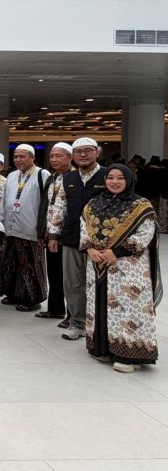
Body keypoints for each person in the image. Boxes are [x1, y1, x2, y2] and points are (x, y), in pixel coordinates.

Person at [81, 164, 162, 373]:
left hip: (127, 267)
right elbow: (84, 228)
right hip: (98, 263)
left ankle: (128, 355)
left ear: (129, 179)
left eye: (120, 178)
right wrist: (90, 249)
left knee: (127, 307)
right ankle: (102, 348)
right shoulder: (94, 203)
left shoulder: (141, 205)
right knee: (99, 304)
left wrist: (116, 252)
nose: (114, 182)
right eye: (110, 178)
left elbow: (146, 233)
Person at [56, 137, 107, 340]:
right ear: (73, 156)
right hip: (71, 238)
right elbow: (60, 208)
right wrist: (53, 233)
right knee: (73, 283)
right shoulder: (68, 178)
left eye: (88, 151)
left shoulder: (108, 176)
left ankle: (97, 324)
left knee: (96, 282)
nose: (83, 155)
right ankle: (77, 322)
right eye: (79, 152)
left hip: (100, 242)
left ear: (97, 152)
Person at [0, 144, 51, 312]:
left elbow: (47, 204)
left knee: (30, 265)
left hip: (31, 229)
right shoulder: (12, 176)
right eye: (16, 157)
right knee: (11, 263)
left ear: (32, 158)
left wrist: (44, 230)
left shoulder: (42, 175)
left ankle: (32, 299)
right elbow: (5, 201)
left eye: (22, 156)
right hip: (11, 228)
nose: (18, 160)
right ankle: (12, 294)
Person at [37, 142, 74, 324]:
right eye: (51, 156)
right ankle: (55, 309)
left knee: (70, 278)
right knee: (54, 273)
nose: (54, 159)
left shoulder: (74, 178)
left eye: (59, 156)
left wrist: (58, 234)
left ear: (69, 157)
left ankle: (73, 315)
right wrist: (42, 232)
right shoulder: (52, 178)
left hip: (66, 236)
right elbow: (45, 206)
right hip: (50, 233)